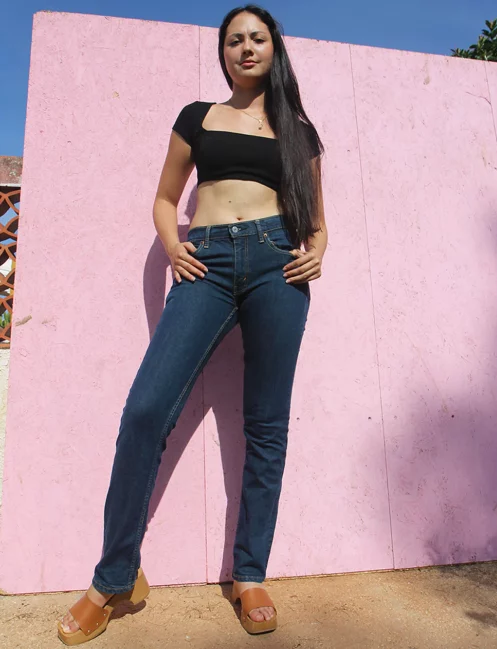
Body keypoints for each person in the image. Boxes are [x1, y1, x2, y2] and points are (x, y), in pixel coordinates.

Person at [58, 3, 327, 644]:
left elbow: (317, 220)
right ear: (223, 53)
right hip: (206, 264)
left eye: (257, 37)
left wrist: (318, 249)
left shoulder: (299, 131)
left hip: (276, 267)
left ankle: (249, 574)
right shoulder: (197, 117)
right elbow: (164, 197)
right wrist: (173, 245)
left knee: (266, 426)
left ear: (274, 47)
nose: (246, 47)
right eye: (234, 40)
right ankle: (114, 578)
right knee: (146, 412)